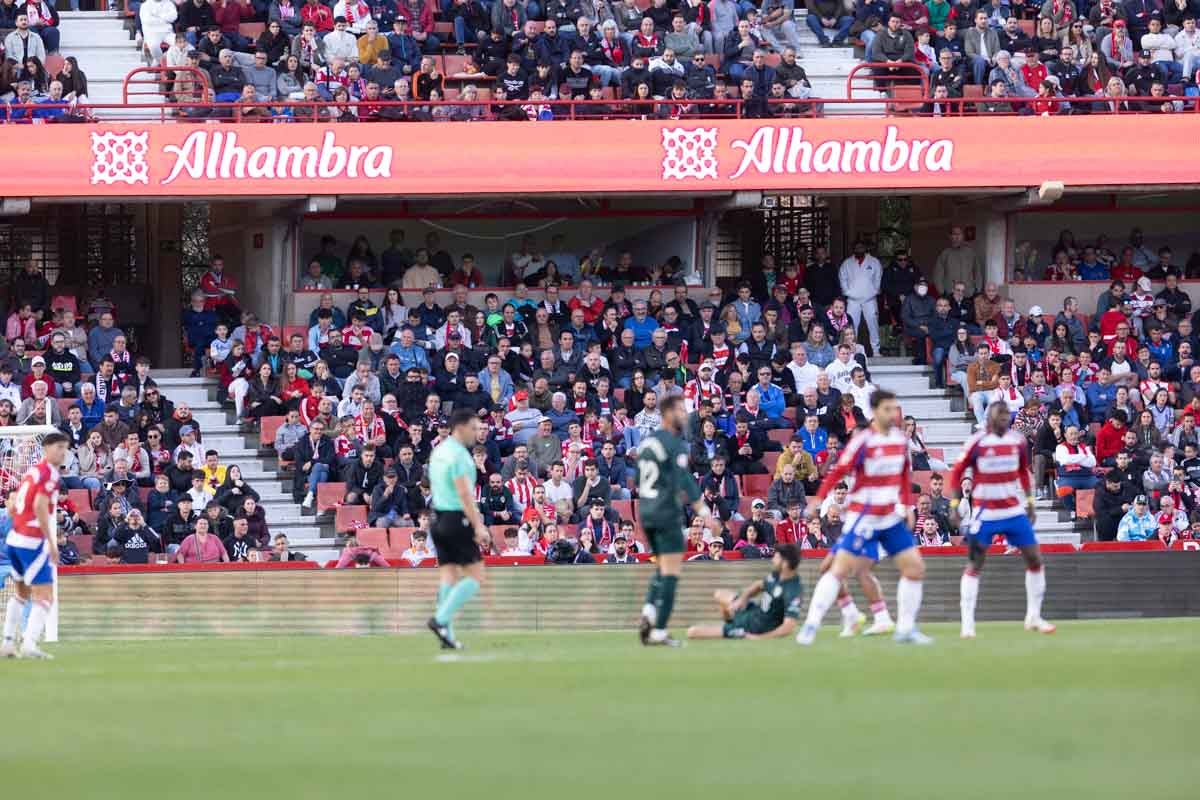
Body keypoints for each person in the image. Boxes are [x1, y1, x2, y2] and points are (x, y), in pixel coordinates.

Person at [796, 390, 930, 646]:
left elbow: (904, 476)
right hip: (864, 517)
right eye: (888, 409)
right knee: (838, 569)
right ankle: (811, 626)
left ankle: (905, 629)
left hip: (890, 517)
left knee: (915, 568)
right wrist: (816, 499)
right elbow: (837, 473)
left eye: (896, 409)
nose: (894, 414)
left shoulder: (901, 441)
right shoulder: (863, 442)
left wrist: (907, 507)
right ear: (875, 411)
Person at [949, 402, 1056, 639]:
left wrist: (1029, 502)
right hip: (985, 513)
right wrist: (955, 505)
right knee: (975, 563)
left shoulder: (1017, 441)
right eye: (1000, 415)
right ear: (989, 418)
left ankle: (1034, 616)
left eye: (1007, 415)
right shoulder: (976, 442)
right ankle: (967, 623)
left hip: (1012, 511)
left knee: (1035, 558)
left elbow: (1022, 472)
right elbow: (957, 473)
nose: (1005, 419)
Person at [636, 394, 723, 647]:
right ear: (666, 413)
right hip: (666, 512)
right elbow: (685, 480)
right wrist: (705, 514)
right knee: (672, 574)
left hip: (646, 513)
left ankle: (649, 613)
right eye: (680, 410)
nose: (684, 414)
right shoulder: (674, 444)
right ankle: (659, 631)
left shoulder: (646, 443)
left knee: (661, 569)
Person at [426, 408, 490, 651]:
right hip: (456, 518)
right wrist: (478, 526)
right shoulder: (460, 456)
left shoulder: (438, 451)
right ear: (460, 427)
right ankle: (440, 620)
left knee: (449, 576)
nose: (477, 433)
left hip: (437, 518)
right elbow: (464, 493)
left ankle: (447, 636)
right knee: (475, 577)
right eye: (474, 428)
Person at [1, 431, 69, 659]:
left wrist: (16, 516)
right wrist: (51, 542)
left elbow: (11, 505)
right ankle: (29, 644)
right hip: (32, 540)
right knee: (45, 595)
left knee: (21, 592)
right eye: (59, 447)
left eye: (65, 448)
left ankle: (8, 642)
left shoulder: (31, 472)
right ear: (47, 448)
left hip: (14, 537)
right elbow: (40, 505)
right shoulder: (49, 474)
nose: (62, 453)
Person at [686, 544, 804, 640]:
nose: (773, 560)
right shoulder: (777, 575)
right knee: (719, 594)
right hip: (753, 612)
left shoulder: (793, 589)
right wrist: (743, 599)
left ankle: (734, 628)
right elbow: (759, 585)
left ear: (785, 563)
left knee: (692, 632)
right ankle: (731, 621)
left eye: (776, 557)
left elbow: (789, 626)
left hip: (755, 627)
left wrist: (759, 638)